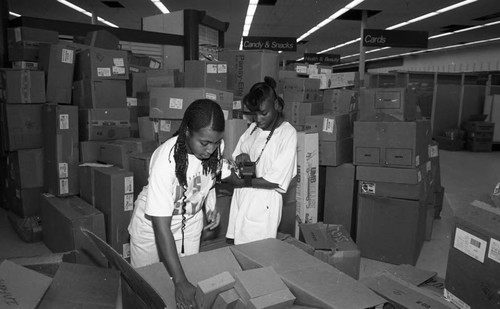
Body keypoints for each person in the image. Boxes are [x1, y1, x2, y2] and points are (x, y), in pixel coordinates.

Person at [128, 99, 225, 309]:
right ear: (187, 131)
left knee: (189, 286)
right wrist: (179, 281)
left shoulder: (214, 146)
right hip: (153, 228)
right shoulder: (166, 161)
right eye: (205, 143)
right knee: (146, 286)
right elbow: (161, 227)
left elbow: (207, 178)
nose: (211, 149)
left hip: (189, 224)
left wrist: (210, 205)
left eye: (216, 142)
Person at [224, 76, 297, 245]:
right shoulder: (253, 128)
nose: (258, 119)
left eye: (263, 113)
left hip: (263, 204)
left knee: (257, 252)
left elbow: (275, 180)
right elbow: (237, 154)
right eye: (254, 114)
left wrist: (241, 182)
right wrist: (242, 157)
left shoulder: (287, 134)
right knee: (239, 248)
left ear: (277, 106)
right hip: (243, 198)